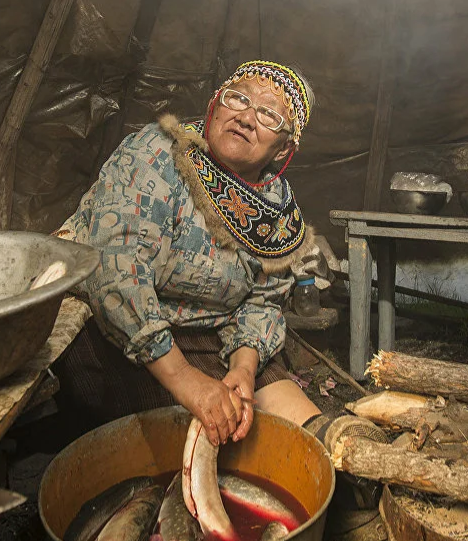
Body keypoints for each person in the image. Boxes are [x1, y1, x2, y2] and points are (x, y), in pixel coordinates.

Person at [54, 60, 324, 445]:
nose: (247, 117)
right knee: (190, 438)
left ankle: (337, 458)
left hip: (210, 332)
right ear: (216, 104)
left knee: (281, 423)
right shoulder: (156, 155)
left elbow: (264, 300)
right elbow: (116, 273)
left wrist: (244, 368)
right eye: (238, 98)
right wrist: (186, 381)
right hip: (115, 330)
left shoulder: (275, 209)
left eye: (268, 114)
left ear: (283, 150)